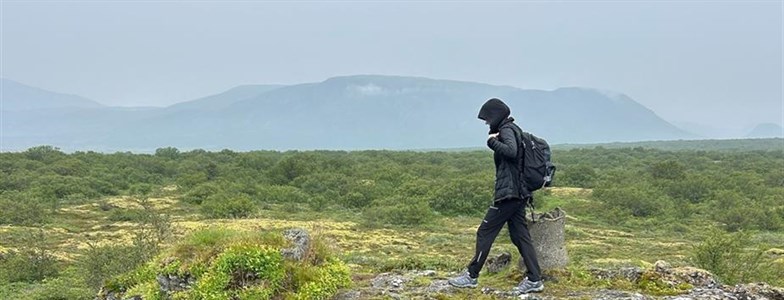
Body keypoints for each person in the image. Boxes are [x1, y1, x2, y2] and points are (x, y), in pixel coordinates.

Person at [447, 98, 543, 294]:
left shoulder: (507, 130)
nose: (486, 123)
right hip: (519, 193)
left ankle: (471, 276)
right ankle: (534, 279)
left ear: (495, 116)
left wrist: (492, 142)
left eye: (487, 119)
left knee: (485, 231)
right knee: (520, 236)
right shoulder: (513, 128)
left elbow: (511, 151)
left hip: (509, 195)